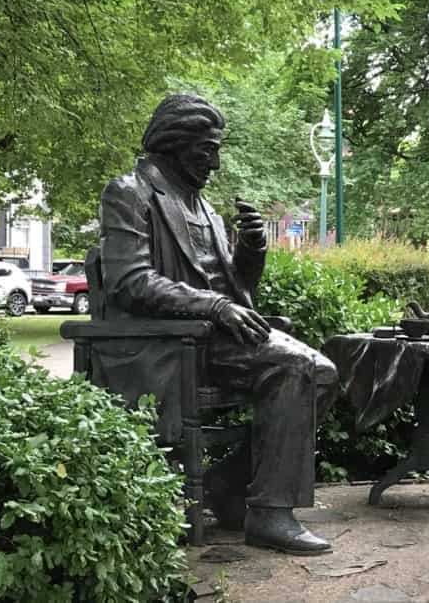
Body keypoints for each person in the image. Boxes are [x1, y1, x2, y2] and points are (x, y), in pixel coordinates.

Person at [98, 94, 339, 554]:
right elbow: (129, 282)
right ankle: (269, 514)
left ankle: (228, 487)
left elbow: (234, 289)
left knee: (322, 373)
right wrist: (212, 307)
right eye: (206, 150)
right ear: (173, 143)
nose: (216, 162)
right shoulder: (130, 192)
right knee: (294, 368)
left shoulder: (203, 207)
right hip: (166, 345)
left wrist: (251, 250)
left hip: (215, 338)